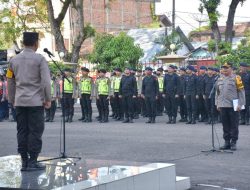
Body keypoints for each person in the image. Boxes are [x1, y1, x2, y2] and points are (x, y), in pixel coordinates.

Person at [7, 32, 51, 171]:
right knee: (35, 132)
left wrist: (12, 99)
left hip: (19, 102)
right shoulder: (39, 59)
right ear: (36, 43)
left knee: (22, 131)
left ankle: (24, 162)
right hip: (36, 102)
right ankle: (32, 161)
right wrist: (47, 98)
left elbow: (10, 81)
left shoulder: (13, 60)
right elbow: (45, 82)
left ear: (23, 42)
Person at [215, 62, 245, 151]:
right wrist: (217, 103)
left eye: (226, 68)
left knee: (234, 125)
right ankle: (227, 142)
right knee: (225, 125)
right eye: (223, 68)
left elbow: (241, 92)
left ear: (231, 69)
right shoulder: (219, 79)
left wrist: (240, 104)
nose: (224, 69)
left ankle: (233, 142)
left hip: (234, 105)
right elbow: (217, 93)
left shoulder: (237, 78)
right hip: (223, 105)